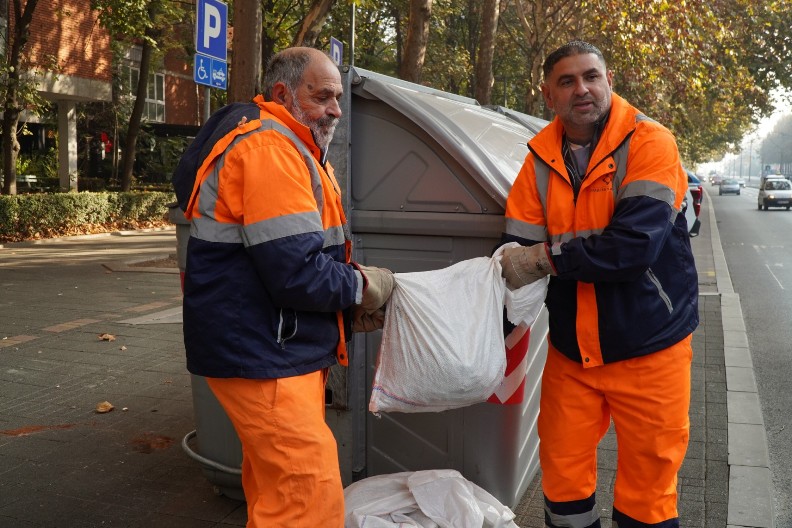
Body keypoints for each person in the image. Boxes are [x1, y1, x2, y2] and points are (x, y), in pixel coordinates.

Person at [172, 47, 394, 527]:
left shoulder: (294, 147)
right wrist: (364, 287)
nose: (336, 109)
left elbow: (289, 263)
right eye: (323, 97)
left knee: (281, 493)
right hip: (265, 354)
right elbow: (297, 273)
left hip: (273, 348)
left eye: (338, 97)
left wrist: (346, 305)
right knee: (307, 498)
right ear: (282, 94)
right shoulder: (271, 150)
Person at [500, 41, 698, 527]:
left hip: (650, 348)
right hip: (573, 354)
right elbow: (512, 261)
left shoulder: (650, 142)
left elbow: (631, 250)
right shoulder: (539, 160)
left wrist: (544, 258)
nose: (581, 89)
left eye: (591, 76)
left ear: (609, 82)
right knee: (562, 480)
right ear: (549, 96)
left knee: (647, 493)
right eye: (566, 81)